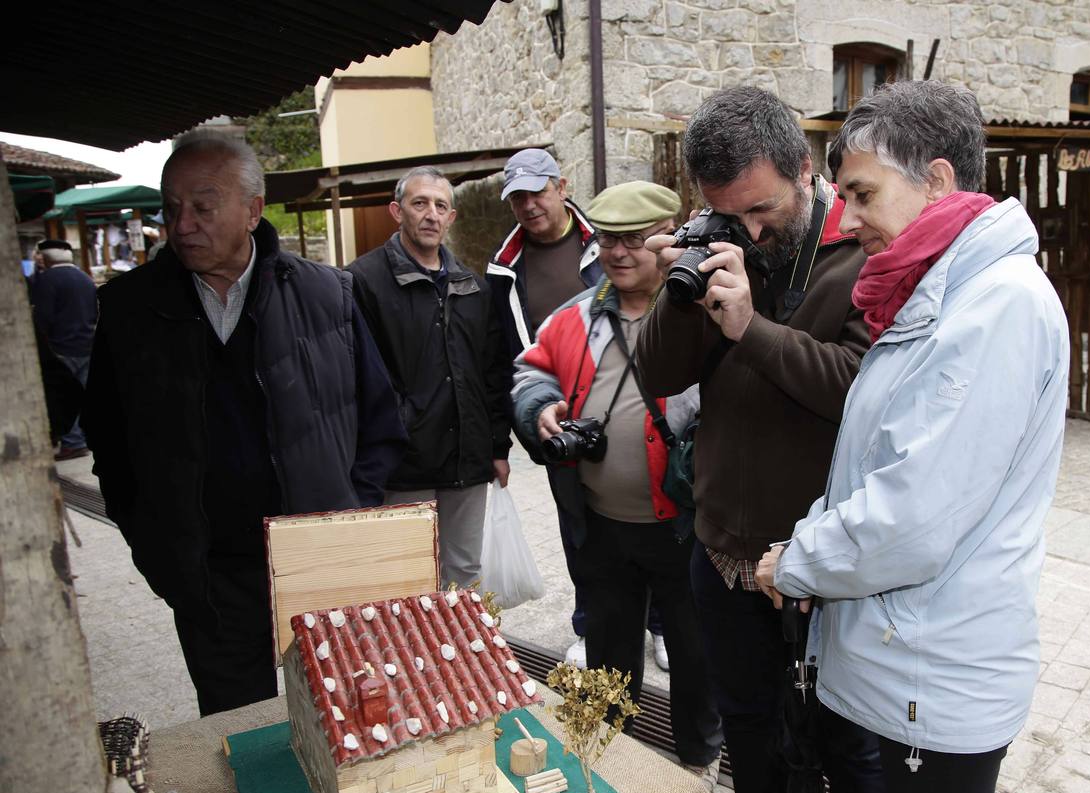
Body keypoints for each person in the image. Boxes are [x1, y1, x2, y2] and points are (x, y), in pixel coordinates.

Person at [754, 81, 1070, 793]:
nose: (849, 219)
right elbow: (874, 463)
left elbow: (914, 517)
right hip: (915, 656)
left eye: (862, 194)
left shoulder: (993, 306)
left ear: (935, 180)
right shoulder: (934, 293)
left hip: (940, 667)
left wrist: (798, 560)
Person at [634, 86, 899, 793]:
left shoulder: (865, 254)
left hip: (819, 559)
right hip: (721, 546)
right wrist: (684, 287)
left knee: (845, 733)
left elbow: (858, 386)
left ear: (807, 173)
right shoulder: (721, 238)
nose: (748, 230)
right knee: (746, 718)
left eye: (762, 210)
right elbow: (660, 374)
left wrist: (751, 327)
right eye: (727, 214)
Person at [84, 131, 406, 717]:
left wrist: (344, 514)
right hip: (209, 574)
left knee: (344, 716)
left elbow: (382, 421)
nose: (183, 225)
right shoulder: (130, 310)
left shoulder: (327, 293)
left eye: (203, 207)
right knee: (238, 727)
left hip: (317, 562)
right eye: (172, 208)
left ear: (252, 211)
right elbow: (109, 443)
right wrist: (157, 548)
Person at [511, 180, 723, 785]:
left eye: (634, 240)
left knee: (693, 651)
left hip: (686, 526)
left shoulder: (708, 314)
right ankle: (606, 756)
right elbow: (529, 374)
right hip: (600, 524)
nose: (619, 252)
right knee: (607, 647)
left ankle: (697, 762)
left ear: (669, 238)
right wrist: (541, 407)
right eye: (608, 239)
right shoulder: (573, 319)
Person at [488, 147, 664, 671]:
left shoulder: (603, 241)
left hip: (635, 406)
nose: (529, 204)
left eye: (537, 191)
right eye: (517, 196)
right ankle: (594, 629)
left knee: (657, 530)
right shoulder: (504, 270)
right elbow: (508, 359)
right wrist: (525, 421)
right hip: (564, 424)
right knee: (582, 534)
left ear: (561, 187)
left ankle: (659, 628)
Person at [348, 166, 511, 590]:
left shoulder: (474, 288)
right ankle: (406, 659)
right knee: (405, 578)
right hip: (402, 463)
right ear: (396, 211)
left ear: (451, 218)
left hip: (467, 460)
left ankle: (463, 656)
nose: (431, 215)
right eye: (419, 203)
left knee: (464, 576)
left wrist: (497, 445)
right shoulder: (362, 283)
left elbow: (491, 373)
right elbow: (354, 379)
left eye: (441, 206)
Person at [28, 239, 97, 459]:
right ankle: (83, 437)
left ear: (46, 258)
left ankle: (72, 440)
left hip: (61, 347)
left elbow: (43, 317)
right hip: (86, 344)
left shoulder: (47, 280)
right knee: (84, 395)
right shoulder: (84, 278)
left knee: (65, 395)